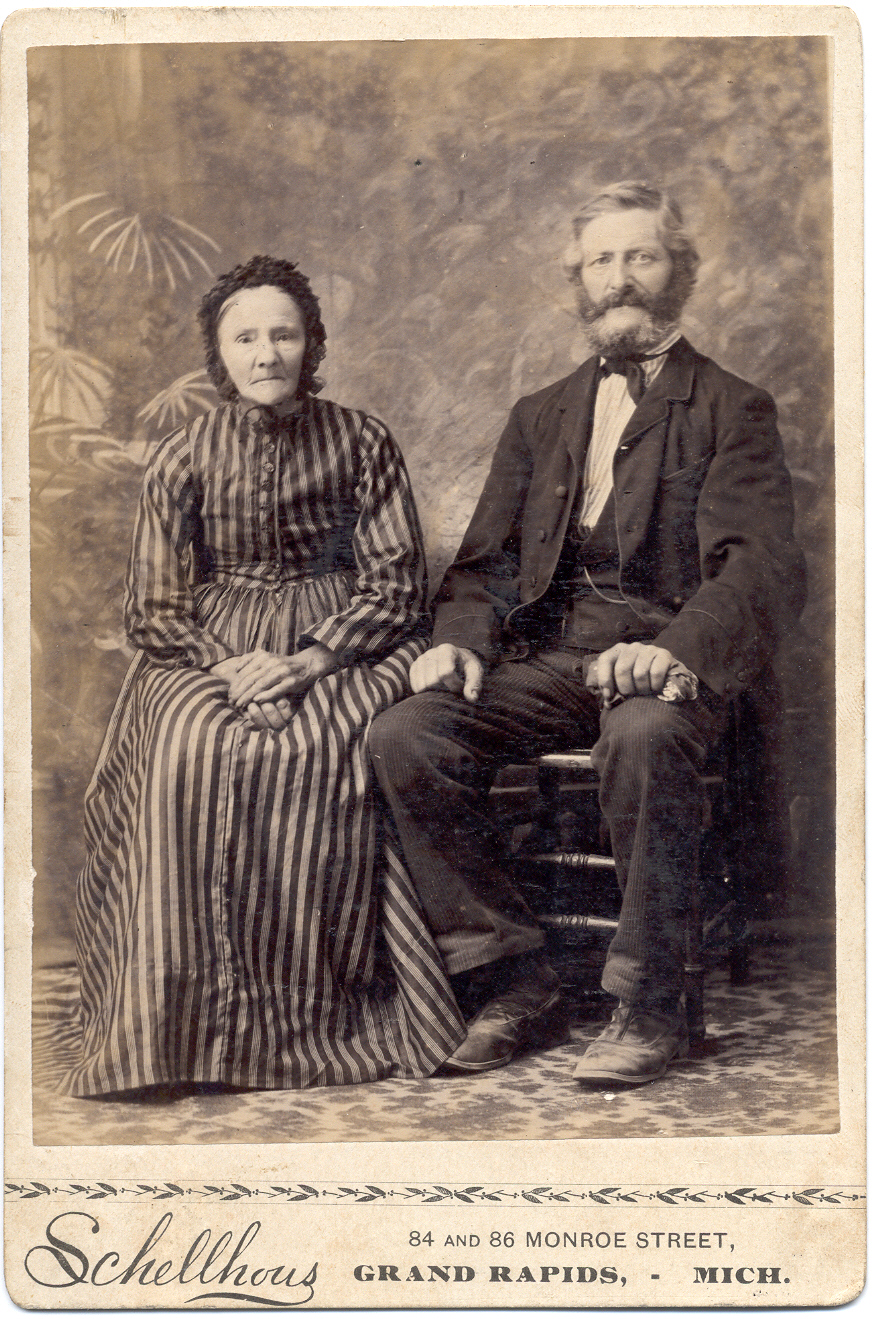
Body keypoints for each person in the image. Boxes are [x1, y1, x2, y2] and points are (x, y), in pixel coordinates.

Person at [371, 182, 806, 1085]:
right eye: (601, 260)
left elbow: (759, 566)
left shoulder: (734, 407)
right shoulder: (541, 412)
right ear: (578, 279)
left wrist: (675, 649)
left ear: (679, 272)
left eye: (641, 256)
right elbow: (485, 564)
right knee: (408, 733)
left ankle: (653, 1004)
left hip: (674, 661)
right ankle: (514, 978)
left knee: (644, 735)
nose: (620, 277)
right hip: (555, 658)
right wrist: (459, 640)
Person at [62, 255, 464, 1097]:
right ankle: (178, 1026)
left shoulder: (363, 440)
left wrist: (305, 662)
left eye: (284, 334)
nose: (266, 353)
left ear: (311, 343)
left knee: (319, 748)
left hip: (344, 639)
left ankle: (308, 1016)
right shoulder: (182, 454)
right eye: (245, 338)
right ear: (219, 352)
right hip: (212, 644)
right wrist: (231, 667)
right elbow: (154, 606)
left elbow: (395, 585)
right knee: (189, 742)